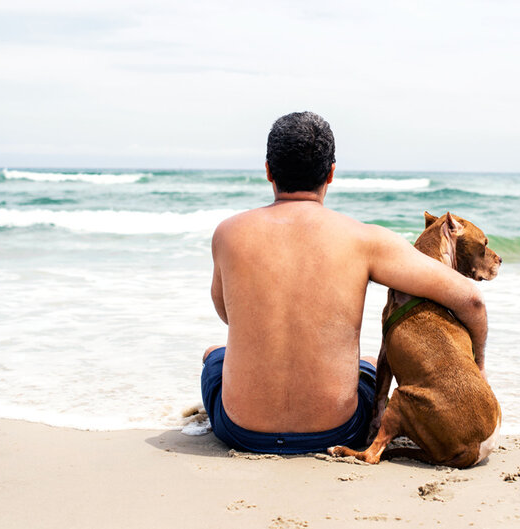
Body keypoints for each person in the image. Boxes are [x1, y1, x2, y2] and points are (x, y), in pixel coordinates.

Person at [201, 111, 487, 454]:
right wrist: (479, 369)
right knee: (367, 365)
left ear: (268, 171)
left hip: (241, 432)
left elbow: (228, 315)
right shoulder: (363, 239)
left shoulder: (228, 233)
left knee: (213, 355)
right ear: (331, 173)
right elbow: (472, 301)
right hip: (336, 432)